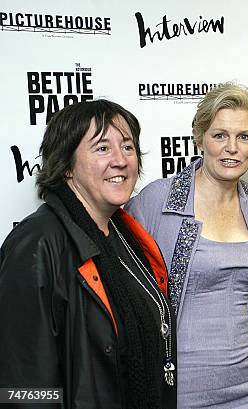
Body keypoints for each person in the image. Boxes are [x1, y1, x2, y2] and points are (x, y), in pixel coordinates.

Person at [0, 100, 176, 409]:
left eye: (128, 147)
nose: (121, 160)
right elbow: (23, 387)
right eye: (102, 149)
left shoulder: (127, 235)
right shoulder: (37, 244)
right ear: (66, 164)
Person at [125, 83, 248, 409]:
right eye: (220, 135)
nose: (232, 148)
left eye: (244, 137)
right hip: (180, 389)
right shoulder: (158, 200)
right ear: (199, 137)